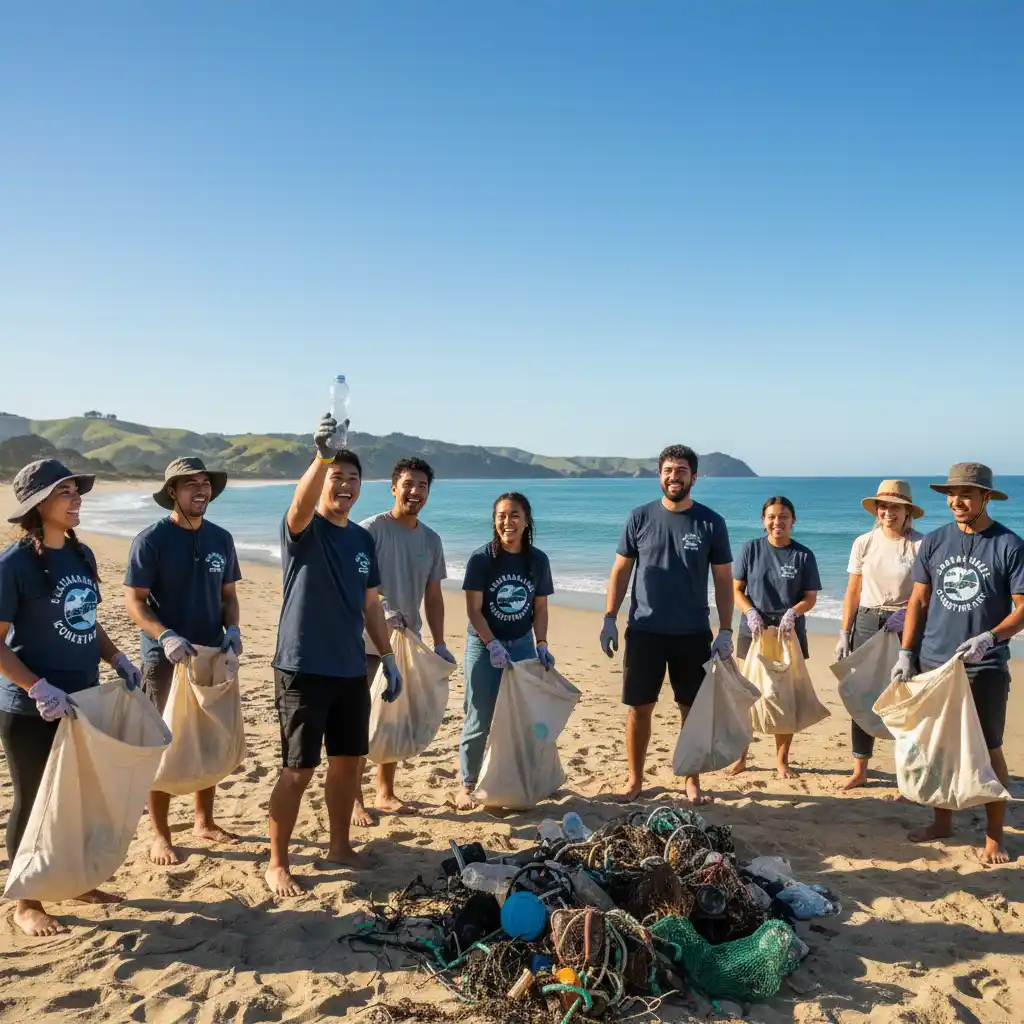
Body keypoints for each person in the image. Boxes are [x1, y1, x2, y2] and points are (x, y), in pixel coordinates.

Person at [0, 459, 143, 936]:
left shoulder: (82, 556)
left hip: (84, 703)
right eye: (65, 491)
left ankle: (76, 879)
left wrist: (118, 658)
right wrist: (35, 686)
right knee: (34, 799)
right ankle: (27, 901)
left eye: (76, 489)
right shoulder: (15, 564)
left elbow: (86, 618)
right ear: (38, 504)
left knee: (77, 797)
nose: (77, 497)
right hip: (31, 708)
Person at [265, 415, 402, 895]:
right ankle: (277, 862)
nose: (343, 485)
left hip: (349, 668)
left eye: (351, 479)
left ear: (362, 488)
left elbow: (370, 604)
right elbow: (300, 502)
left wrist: (388, 657)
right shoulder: (304, 528)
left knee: (349, 763)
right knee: (297, 770)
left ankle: (339, 846)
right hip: (302, 666)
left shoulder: (362, 539)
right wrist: (322, 456)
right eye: (334, 477)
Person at [891, 463, 1023, 865]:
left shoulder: (1008, 545)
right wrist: (906, 652)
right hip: (934, 661)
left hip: (983, 666)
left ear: (986, 497)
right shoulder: (934, 541)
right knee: (937, 748)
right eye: (952, 493)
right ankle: (942, 822)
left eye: (967, 493)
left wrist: (990, 637)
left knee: (988, 749)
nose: (957, 501)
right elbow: (918, 601)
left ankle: (994, 836)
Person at [123, 457, 242, 866]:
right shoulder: (152, 539)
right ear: (172, 492)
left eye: (204, 483)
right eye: (189, 484)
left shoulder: (221, 539)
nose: (200, 491)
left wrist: (232, 630)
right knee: (162, 742)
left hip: (210, 652)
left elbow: (228, 595)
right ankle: (160, 834)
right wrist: (165, 635)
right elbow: (134, 601)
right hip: (165, 656)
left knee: (206, 737)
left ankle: (204, 821)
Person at [601, 445, 734, 805]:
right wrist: (610, 617)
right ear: (659, 475)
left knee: (691, 710)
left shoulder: (711, 522)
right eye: (668, 471)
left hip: (692, 633)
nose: (674, 477)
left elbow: (724, 580)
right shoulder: (639, 517)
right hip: (644, 630)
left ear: (694, 476)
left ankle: (692, 780)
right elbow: (621, 570)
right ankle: (635, 779)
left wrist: (725, 630)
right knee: (639, 708)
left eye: (681, 471)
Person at [352, 456, 453, 824]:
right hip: (363, 642)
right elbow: (355, 583)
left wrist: (439, 643)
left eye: (422, 486)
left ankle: (385, 791)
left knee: (392, 719)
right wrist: (383, 606)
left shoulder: (431, 539)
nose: (415, 492)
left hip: (408, 643)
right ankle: (354, 799)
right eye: (408, 484)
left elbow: (434, 596)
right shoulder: (369, 530)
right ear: (393, 487)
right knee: (359, 720)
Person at [455, 492, 554, 810]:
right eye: (500, 515)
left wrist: (541, 643)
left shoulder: (538, 560)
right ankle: (467, 785)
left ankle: (517, 778)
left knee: (521, 717)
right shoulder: (482, 558)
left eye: (514, 515)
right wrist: (492, 644)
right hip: (485, 646)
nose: (507, 522)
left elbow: (540, 608)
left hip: (523, 642)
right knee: (479, 717)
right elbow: (474, 610)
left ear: (526, 520)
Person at [836, 480, 924, 790]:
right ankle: (860, 770)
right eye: (883, 506)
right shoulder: (864, 542)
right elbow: (853, 590)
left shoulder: (920, 545)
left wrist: (907, 616)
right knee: (863, 695)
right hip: (867, 622)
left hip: (904, 626)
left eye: (895, 507)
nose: (888, 512)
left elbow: (926, 595)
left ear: (907, 511)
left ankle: (906, 778)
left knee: (904, 701)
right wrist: (844, 632)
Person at [731, 496, 821, 779]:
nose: (777, 522)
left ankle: (782, 761)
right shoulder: (750, 549)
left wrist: (793, 613)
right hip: (753, 631)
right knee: (746, 695)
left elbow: (810, 597)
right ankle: (741, 757)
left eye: (783, 516)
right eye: (771, 516)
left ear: (793, 520)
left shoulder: (803, 555)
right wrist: (750, 612)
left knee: (784, 697)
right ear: (763, 520)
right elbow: (736, 590)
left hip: (787, 633)